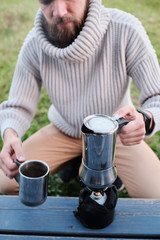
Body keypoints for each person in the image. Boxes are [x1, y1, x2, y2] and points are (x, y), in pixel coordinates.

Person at [0, 0, 160, 198]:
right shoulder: (35, 42)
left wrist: (146, 118)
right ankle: (79, 161)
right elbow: (17, 105)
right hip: (64, 131)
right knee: (5, 181)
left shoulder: (125, 29)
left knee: (156, 194)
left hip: (114, 135)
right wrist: (10, 135)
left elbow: (157, 96)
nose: (58, 11)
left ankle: (92, 163)